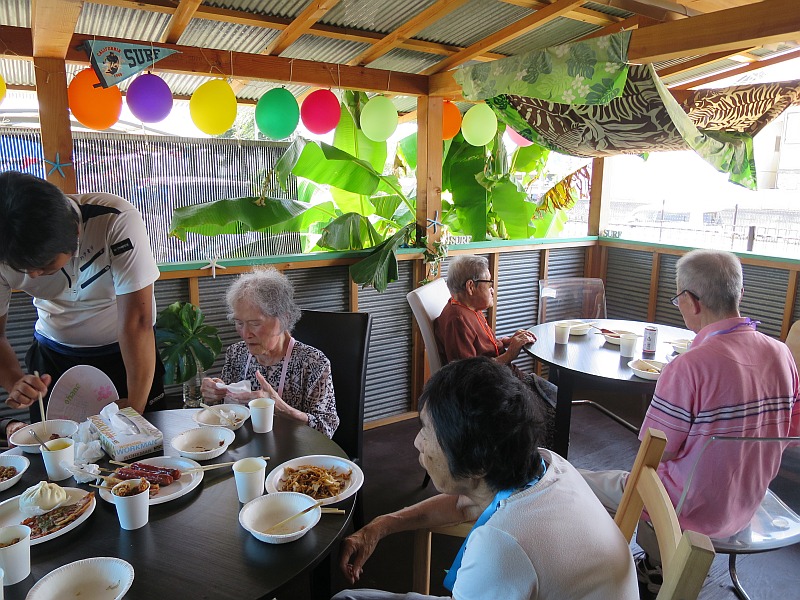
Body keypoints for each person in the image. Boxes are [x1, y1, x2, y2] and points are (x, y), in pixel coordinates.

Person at [581, 249, 800, 589]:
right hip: (749, 502)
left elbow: (656, 454)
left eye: (677, 299)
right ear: (739, 294)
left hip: (682, 511)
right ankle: (651, 564)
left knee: (571, 478)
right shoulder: (783, 354)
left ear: (691, 302)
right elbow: (791, 431)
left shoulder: (689, 366)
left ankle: (645, 569)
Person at [333, 357, 638, 600]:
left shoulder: (501, 547)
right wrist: (380, 526)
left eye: (427, 431)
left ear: (477, 464)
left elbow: (486, 526)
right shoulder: (546, 465)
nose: (416, 443)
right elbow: (465, 505)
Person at [0, 171, 165, 419]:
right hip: (53, 360)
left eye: (44, 266)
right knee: (61, 450)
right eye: (22, 268)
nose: (32, 275)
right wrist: (15, 381)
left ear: (76, 234)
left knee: (143, 448)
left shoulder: (114, 220)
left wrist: (136, 406)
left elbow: (137, 322)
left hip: (126, 358)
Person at [200, 267, 338, 438]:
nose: (245, 333)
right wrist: (215, 394)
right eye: (239, 323)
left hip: (295, 454)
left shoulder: (313, 363)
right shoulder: (237, 354)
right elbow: (225, 413)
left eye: (255, 323)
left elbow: (326, 430)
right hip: (245, 450)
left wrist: (281, 408)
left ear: (284, 319)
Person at [434, 255, 536, 370]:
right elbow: (469, 374)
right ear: (470, 287)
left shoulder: (470, 308)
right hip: (495, 384)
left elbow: (483, 349)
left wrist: (508, 341)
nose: (492, 290)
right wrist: (509, 355)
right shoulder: (458, 320)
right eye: (489, 284)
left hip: (505, 377)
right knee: (552, 388)